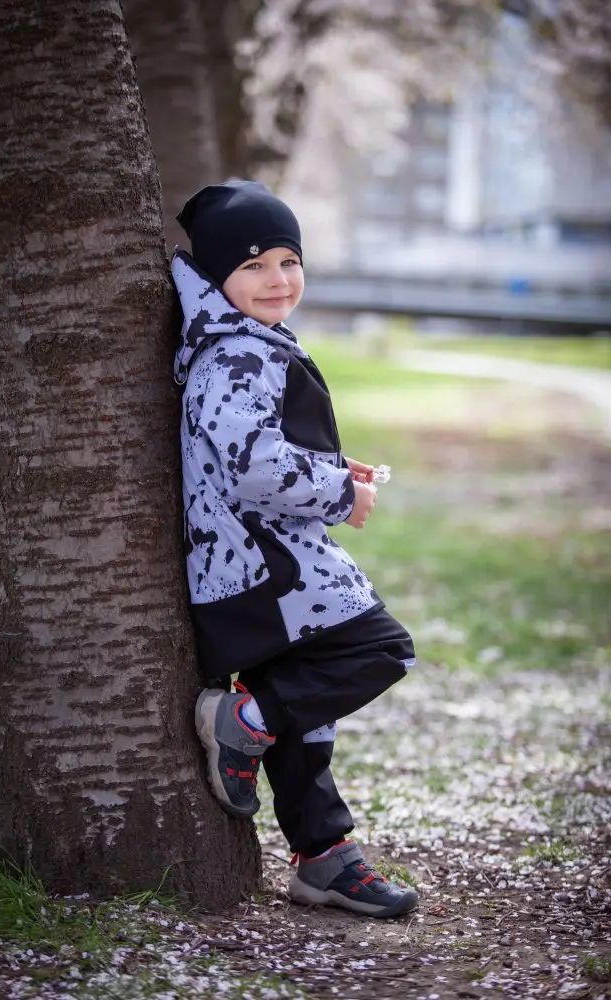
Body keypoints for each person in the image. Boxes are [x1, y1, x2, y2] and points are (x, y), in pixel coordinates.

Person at [171, 180, 418, 919]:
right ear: (217, 276)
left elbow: (245, 446)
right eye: (252, 266)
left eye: (288, 260)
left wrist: (331, 466)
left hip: (256, 561)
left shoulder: (244, 344)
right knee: (379, 649)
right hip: (263, 567)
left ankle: (322, 860)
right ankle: (240, 722)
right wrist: (342, 495)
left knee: (305, 716)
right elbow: (250, 467)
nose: (277, 279)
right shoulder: (236, 355)